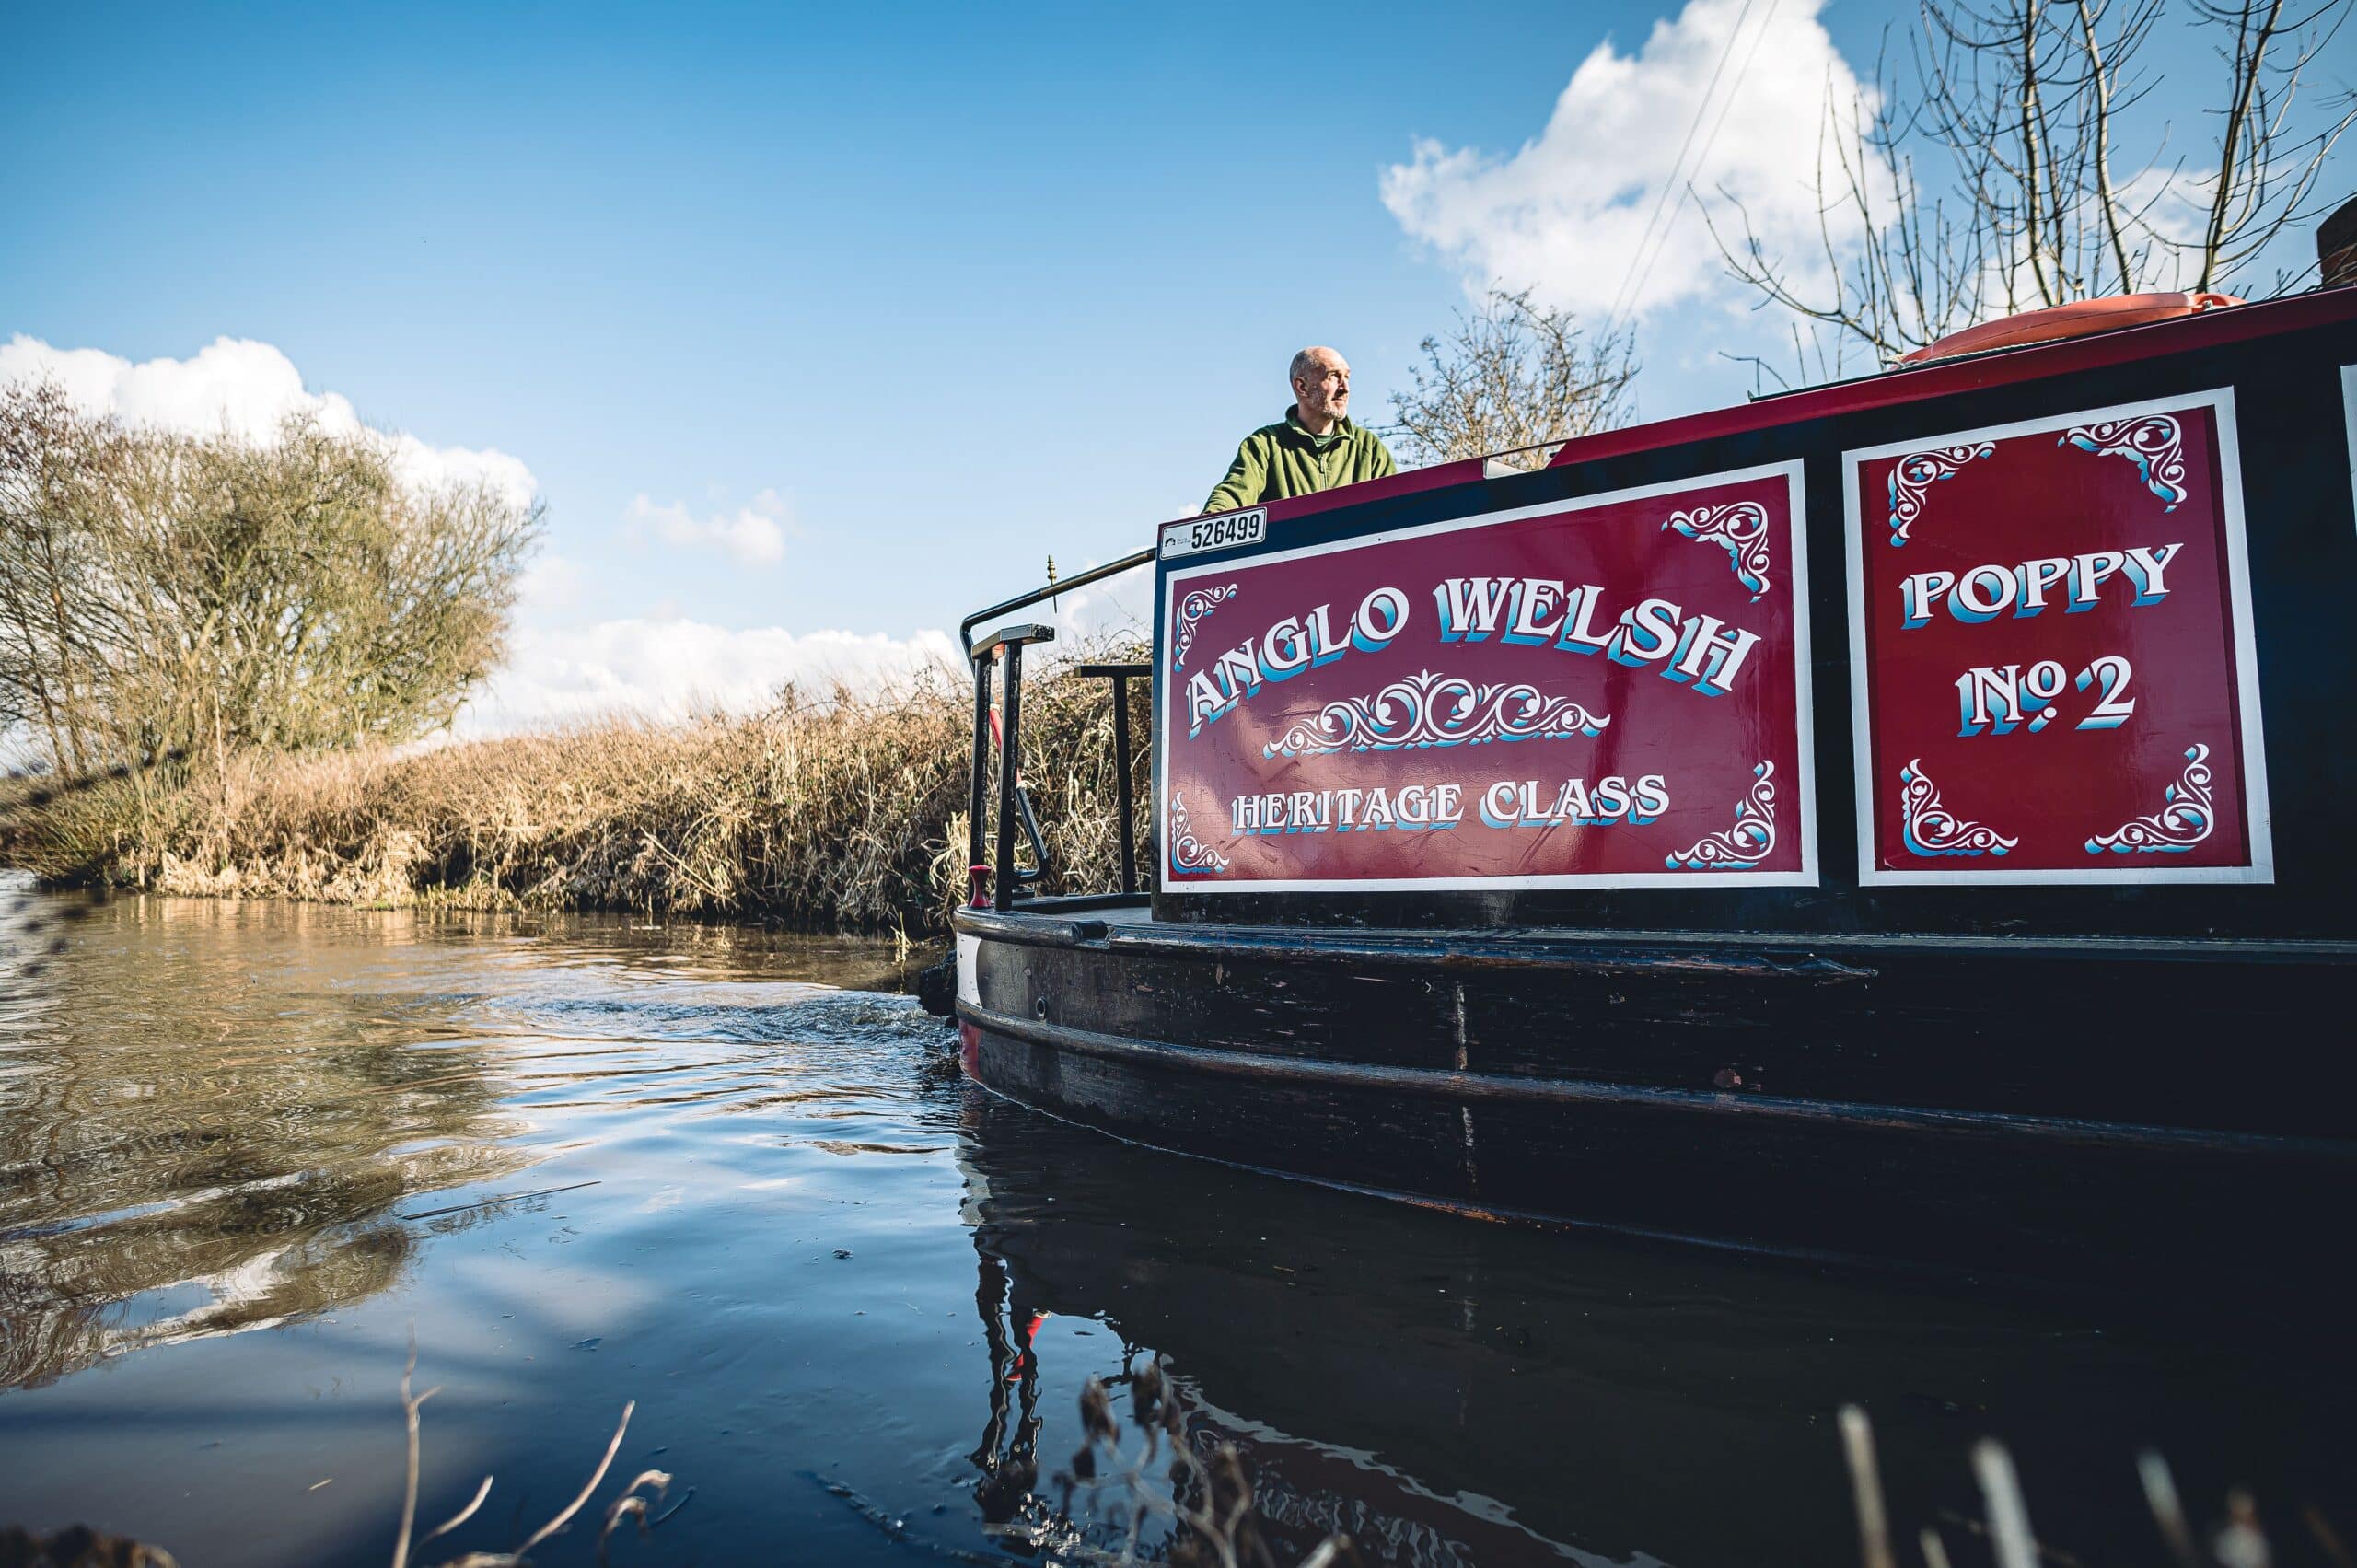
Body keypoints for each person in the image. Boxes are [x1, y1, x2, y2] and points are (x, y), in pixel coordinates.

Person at [1202, 346, 1397, 514]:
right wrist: (1204, 526)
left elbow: (1397, 508)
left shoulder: (1369, 449)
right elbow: (1232, 494)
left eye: (1346, 377)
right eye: (1333, 377)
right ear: (1302, 387)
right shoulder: (1265, 444)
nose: (1345, 388)